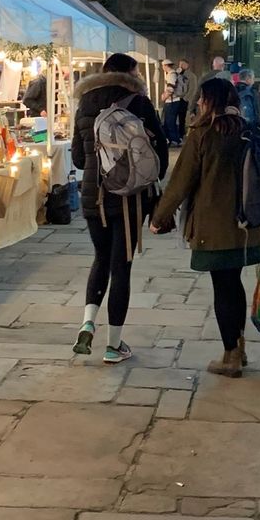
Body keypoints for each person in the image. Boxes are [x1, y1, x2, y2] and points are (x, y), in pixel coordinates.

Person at [149, 75, 260, 377]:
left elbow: (180, 182)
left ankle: (230, 356)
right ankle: (239, 348)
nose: (198, 102)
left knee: (222, 287)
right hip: (247, 226)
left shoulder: (203, 134)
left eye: (202, 98)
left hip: (215, 226)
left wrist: (159, 217)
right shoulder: (248, 130)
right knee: (234, 283)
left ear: (210, 101)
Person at [70, 53, 169, 361]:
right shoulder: (138, 102)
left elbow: (76, 157)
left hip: (92, 195)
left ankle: (88, 320)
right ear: (130, 72)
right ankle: (114, 345)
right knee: (121, 266)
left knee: (100, 258)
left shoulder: (85, 101)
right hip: (128, 196)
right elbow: (160, 149)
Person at [173, 59, 198, 138]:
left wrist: (186, 98)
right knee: (177, 116)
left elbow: (193, 88)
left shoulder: (191, 76)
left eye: (183, 64)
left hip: (185, 99)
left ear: (187, 65)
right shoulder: (177, 74)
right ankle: (178, 132)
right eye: (180, 64)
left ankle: (182, 132)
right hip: (177, 98)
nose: (181, 66)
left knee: (183, 117)